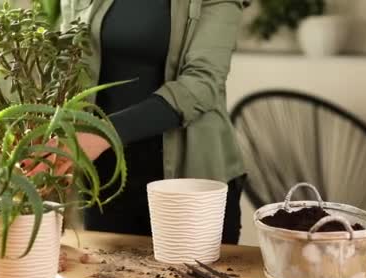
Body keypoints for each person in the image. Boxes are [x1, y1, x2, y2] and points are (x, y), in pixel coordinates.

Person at [54, 0, 248, 244]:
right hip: (106, 180)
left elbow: (202, 85)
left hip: (190, 181)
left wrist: (103, 133)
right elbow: (67, 68)